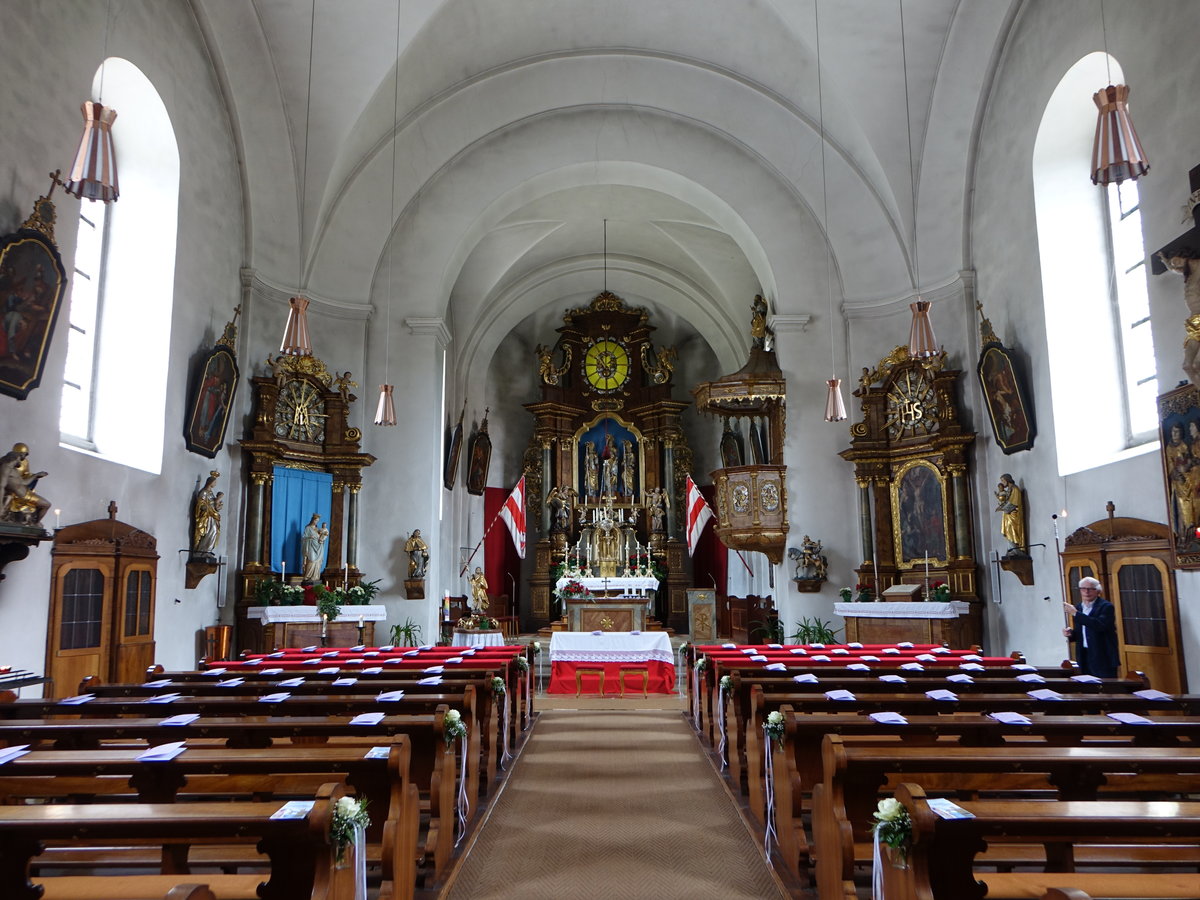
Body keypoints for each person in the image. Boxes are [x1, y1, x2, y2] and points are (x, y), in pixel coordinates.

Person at [1062, 577, 1120, 678]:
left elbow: (1099, 625)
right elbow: (1083, 631)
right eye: (1083, 589)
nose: (1086, 592)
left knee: (1106, 688)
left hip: (1103, 655)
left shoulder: (1106, 607)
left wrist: (1076, 613)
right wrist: (1071, 633)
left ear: (1098, 591)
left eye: (1090, 589)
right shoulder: (1079, 607)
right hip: (1084, 654)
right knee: (1087, 686)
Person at [0, 442, 50, 524]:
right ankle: (35, 523)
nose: (22, 460)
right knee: (47, 505)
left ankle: (34, 523)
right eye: (21, 457)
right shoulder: (6, 468)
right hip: (23, 496)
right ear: (17, 456)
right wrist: (1, 506)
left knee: (45, 505)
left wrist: (36, 475)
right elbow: (1, 486)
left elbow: (23, 482)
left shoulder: (13, 469)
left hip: (26, 493)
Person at [191, 470, 222, 557]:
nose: (215, 484)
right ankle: (201, 551)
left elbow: (213, 505)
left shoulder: (211, 493)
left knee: (214, 531)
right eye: (214, 482)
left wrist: (217, 506)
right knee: (207, 532)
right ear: (210, 482)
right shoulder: (203, 492)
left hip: (212, 517)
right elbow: (200, 505)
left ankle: (207, 550)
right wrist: (209, 509)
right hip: (206, 517)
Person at [994, 474, 1025, 553]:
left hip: (1014, 515)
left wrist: (1002, 508)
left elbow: (1014, 503)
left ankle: (1015, 551)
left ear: (1007, 480)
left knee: (1012, 531)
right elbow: (1007, 501)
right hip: (1008, 515)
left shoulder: (1015, 489)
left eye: (1003, 480)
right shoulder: (1009, 490)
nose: (1002, 483)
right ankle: (1011, 550)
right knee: (1008, 532)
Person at [301, 513, 328, 582]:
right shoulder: (308, 528)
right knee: (311, 560)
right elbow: (303, 538)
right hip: (310, 546)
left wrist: (322, 538)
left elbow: (320, 536)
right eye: (315, 520)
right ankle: (308, 576)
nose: (316, 522)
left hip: (318, 546)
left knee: (317, 562)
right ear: (312, 520)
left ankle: (315, 577)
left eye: (317, 521)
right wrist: (310, 537)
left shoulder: (317, 529)